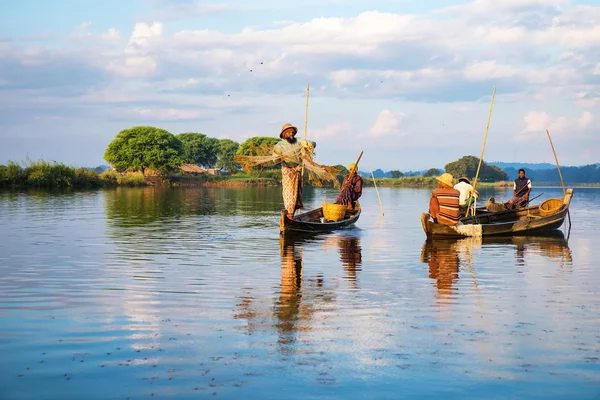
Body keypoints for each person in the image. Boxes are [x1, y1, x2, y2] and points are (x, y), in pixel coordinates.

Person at [273, 123, 316, 219]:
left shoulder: (298, 141)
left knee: (297, 193)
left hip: (297, 170)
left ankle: (292, 215)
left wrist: (309, 144)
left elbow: (313, 143)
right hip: (287, 171)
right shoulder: (279, 145)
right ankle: (290, 215)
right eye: (288, 132)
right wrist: (278, 158)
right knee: (289, 193)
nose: (291, 133)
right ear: (284, 134)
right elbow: (274, 158)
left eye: (292, 132)